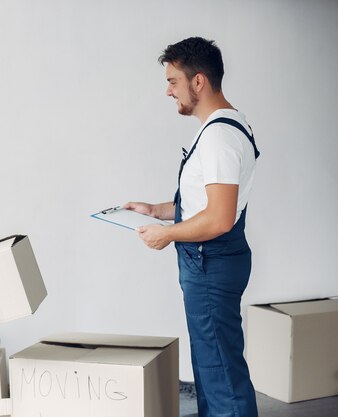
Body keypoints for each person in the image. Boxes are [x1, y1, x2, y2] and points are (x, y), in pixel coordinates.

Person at [124, 37, 260, 417]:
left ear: (198, 81)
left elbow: (218, 218)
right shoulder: (227, 126)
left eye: (172, 81)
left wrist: (166, 235)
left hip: (210, 263)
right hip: (212, 261)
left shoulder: (218, 137)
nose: (168, 91)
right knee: (212, 365)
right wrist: (156, 210)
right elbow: (205, 205)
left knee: (221, 375)